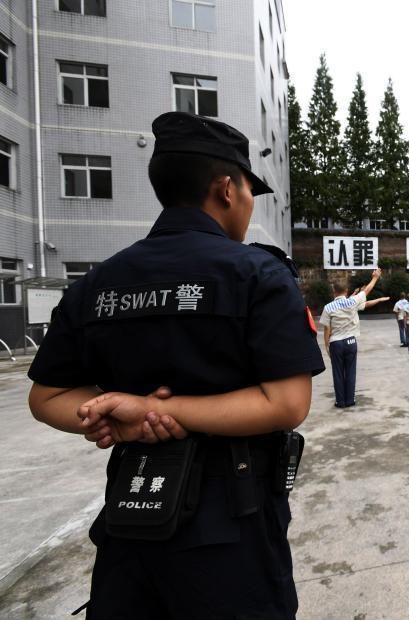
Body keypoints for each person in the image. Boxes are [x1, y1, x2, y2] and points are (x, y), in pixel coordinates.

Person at [26, 112, 327, 618]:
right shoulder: (257, 275)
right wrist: (153, 410)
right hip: (233, 526)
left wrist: (132, 421)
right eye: (250, 191)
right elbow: (287, 403)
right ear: (226, 189)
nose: (250, 205)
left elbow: (47, 397)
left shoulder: (97, 284)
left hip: (131, 520)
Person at [320, 270, 387, 408]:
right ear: (346, 291)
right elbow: (367, 290)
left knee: (338, 373)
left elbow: (327, 329)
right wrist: (375, 277)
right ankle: (350, 400)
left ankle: (340, 401)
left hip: (336, 343)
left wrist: (327, 347)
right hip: (351, 341)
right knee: (350, 371)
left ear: (334, 291)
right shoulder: (353, 302)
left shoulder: (328, 308)